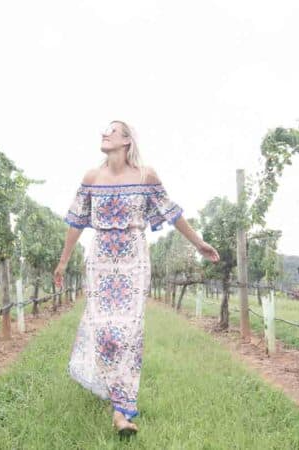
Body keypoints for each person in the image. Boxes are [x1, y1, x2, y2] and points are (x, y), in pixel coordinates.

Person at [53, 120, 220, 437]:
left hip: (134, 261)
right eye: (104, 130)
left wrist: (198, 243)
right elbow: (76, 222)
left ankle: (122, 413)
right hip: (100, 259)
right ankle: (113, 388)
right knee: (105, 332)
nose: (104, 133)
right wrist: (62, 262)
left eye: (112, 130)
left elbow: (172, 213)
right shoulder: (91, 177)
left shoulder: (146, 176)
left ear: (127, 141)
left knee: (127, 333)